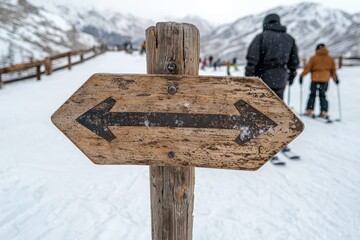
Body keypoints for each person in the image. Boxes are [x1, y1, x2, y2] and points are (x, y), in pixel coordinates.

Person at [245, 13, 299, 165]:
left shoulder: (261, 37)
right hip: (281, 79)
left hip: (264, 79)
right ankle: (280, 140)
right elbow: (294, 62)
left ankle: (266, 142)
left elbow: (252, 60)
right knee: (278, 110)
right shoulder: (289, 39)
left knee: (262, 111)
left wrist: (249, 80)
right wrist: (291, 77)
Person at [300, 43, 339, 119]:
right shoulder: (330, 58)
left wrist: (301, 76)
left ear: (317, 49)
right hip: (325, 79)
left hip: (315, 79)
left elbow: (307, 68)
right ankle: (323, 112)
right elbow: (333, 71)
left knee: (312, 94)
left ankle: (309, 110)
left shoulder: (314, 58)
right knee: (323, 95)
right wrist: (336, 79)